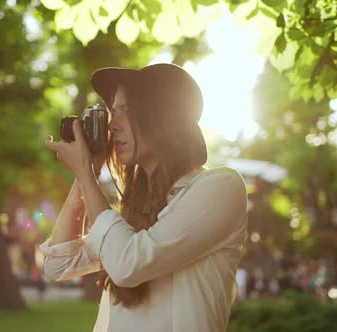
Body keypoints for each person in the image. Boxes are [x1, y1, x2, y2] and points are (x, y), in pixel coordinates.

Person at [42, 63, 248, 332]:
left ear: (163, 117)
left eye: (125, 111)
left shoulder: (220, 188)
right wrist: (88, 170)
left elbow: (129, 264)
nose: (112, 126)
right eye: (112, 113)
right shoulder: (136, 209)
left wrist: (84, 172)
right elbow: (59, 263)